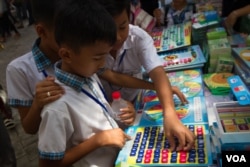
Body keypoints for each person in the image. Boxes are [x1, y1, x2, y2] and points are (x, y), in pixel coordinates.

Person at [6, 0, 187, 135]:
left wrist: (154, 93)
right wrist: (38, 103)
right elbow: (30, 130)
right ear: (42, 31)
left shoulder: (87, 60)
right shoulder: (20, 70)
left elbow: (112, 77)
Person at [38, 0, 130, 166]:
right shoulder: (57, 107)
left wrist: (120, 109)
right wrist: (99, 140)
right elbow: (48, 164)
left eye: (105, 56)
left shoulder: (87, 75)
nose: (103, 64)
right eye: (97, 58)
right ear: (66, 55)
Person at [95, 0, 194, 151]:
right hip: (103, 113)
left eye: (123, 27)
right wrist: (156, 87)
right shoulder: (91, 45)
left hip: (134, 104)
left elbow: (157, 72)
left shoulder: (139, 38)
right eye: (108, 31)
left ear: (130, 18)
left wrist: (170, 113)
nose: (118, 37)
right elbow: (112, 77)